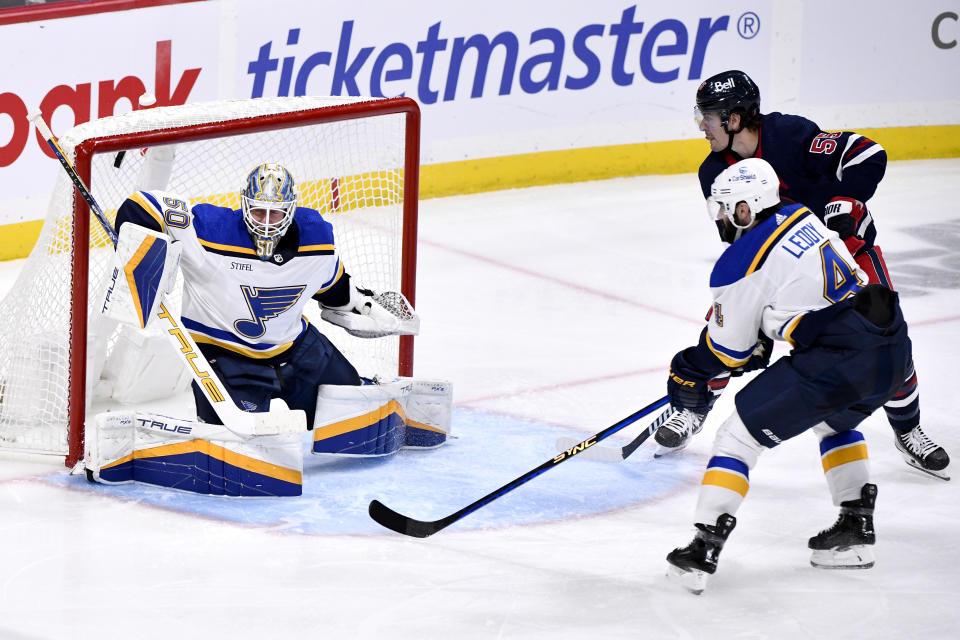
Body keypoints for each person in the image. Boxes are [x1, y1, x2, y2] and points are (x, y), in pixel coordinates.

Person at [654, 69, 949, 479]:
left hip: (846, 254)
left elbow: (866, 153)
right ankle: (693, 408)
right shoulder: (713, 171)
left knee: (885, 336)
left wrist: (845, 204)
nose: (702, 126)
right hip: (786, 266)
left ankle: (909, 429)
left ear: (735, 119)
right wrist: (753, 319)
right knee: (728, 324)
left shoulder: (791, 136)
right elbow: (739, 241)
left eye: (709, 116)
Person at [664, 157, 912, 594]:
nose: (721, 218)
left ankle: (702, 549)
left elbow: (729, 351)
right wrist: (766, 332)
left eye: (726, 208)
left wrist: (687, 370)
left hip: (841, 355)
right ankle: (855, 529)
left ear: (746, 208)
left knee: (737, 439)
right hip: (890, 344)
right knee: (835, 422)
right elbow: (795, 298)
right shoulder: (798, 214)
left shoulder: (739, 260)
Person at [113, 163, 399, 428]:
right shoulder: (210, 231)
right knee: (237, 437)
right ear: (243, 205)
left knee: (357, 414)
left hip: (297, 350)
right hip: (224, 355)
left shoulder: (317, 239)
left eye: (275, 213)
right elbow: (140, 206)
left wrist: (364, 305)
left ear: (291, 210)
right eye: (257, 211)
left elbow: (334, 289)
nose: (265, 223)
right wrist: (142, 254)